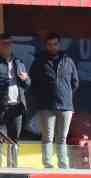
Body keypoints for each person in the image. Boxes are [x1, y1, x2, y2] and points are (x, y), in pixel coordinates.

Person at [30, 32, 79, 169]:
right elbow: (33, 83)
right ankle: (47, 164)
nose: (52, 47)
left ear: (59, 44)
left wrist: (66, 94)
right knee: (48, 136)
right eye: (49, 44)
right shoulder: (39, 61)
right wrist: (41, 97)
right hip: (45, 105)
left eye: (55, 44)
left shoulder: (68, 60)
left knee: (62, 137)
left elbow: (75, 82)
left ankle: (63, 163)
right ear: (46, 45)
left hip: (65, 105)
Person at [0, 32, 31, 152]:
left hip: (16, 106)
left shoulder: (18, 62)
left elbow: (27, 84)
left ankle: (13, 166)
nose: (7, 46)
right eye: (4, 44)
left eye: (9, 43)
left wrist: (26, 79)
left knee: (14, 139)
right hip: (0, 106)